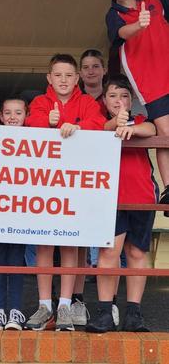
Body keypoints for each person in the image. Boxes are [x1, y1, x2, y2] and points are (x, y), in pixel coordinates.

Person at [24, 53, 106, 331]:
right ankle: (44, 304)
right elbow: (28, 127)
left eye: (69, 75)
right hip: (44, 184)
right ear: (49, 78)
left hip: (74, 186)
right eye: (57, 75)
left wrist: (79, 127)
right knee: (44, 245)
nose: (63, 80)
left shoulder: (87, 102)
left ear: (77, 79)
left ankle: (65, 305)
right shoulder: (39, 103)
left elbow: (98, 124)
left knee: (70, 243)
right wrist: (48, 124)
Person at [86, 75, 157, 333]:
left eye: (124, 95)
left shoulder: (140, 121)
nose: (119, 100)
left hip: (142, 195)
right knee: (108, 253)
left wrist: (132, 129)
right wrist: (113, 125)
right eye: (113, 95)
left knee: (137, 253)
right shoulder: (97, 120)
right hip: (108, 197)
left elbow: (153, 129)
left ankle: (134, 313)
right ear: (104, 99)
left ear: (132, 99)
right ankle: (105, 311)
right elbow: (90, 131)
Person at [105, 0, 169, 208]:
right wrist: (138, 26)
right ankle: (168, 189)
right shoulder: (113, 15)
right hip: (152, 84)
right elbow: (121, 34)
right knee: (165, 134)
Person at [72, 48, 109, 326]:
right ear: (79, 73)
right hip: (77, 175)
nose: (91, 71)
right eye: (86, 67)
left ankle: (110, 304)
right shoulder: (75, 99)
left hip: (107, 175)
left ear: (104, 69)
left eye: (96, 66)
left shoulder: (115, 97)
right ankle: (77, 299)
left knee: (110, 242)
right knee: (78, 240)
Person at [0, 97, 28, 331]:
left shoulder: (35, 140)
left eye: (18, 113)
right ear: (0, 116)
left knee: (16, 263)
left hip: (22, 214)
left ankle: (16, 311)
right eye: (8, 113)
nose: (13, 117)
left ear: (25, 116)